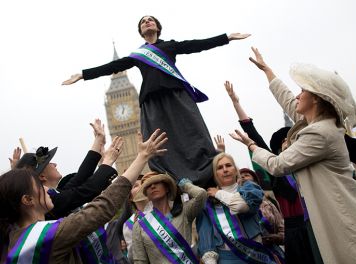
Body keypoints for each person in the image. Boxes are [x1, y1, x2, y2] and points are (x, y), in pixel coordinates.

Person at [230, 47, 356, 264]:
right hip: (329, 210)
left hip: (341, 211)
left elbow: (278, 164)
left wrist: (251, 145)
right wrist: (267, 71)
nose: (297, 95)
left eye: (302, 90)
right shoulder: (313, 123)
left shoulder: (319, 132)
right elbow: (288, 100)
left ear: (316, 99)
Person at [62, 15, 250, 188]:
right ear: (141, 31)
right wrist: (83, 75)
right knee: (159, 145)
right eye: (143, 21)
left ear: (157, 27)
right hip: (152, 103)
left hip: (177, 97)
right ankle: (174, 184)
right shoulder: (137, 55)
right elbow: (113, 66)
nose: (147, 21)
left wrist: (227, 37)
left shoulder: (169, 46)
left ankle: (207, 176)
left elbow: (196, 45)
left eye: (150, 20)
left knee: (194, 134)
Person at [0, 129, 167, 264]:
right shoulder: (51, 235)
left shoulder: (15, 240)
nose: (46, 189)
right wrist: (142, 157)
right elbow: (101, 207)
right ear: (28, 200)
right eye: (38, 184)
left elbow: (79, 181)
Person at [224, 80, 317, 264]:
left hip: (319, 226)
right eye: (283, 141)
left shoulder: (310, 166)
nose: (286, 142)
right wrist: (236, 103)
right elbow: (254, 137)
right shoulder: (278, 172)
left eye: (290, 138)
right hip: (296, 233)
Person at [14, 119, 120, 219]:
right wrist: (107, 161)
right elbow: (86, 191)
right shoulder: (49, 202)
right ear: (42, 176)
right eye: (50, 163)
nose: (55, 164)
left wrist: (98, 139)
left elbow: (81, 176)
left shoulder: (57, 194)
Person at [196, 152, 284, 264]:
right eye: (220, 167)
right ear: (215, 174)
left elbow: (240, 206)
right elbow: (206, 239)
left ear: (235, 169)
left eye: (228, 165)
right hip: (227, 262)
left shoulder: (250, 189)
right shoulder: (207, 203)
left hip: (257, 258)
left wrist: (218, 193)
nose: (225, 170)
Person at [132, 171, 207, 264]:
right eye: (148, 185)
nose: (153, 186)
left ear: (167, 188)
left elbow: (201, 195)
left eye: (157, 182)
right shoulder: (140, 226)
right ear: (146, 194)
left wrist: (184, 184)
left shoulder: (184, 212)